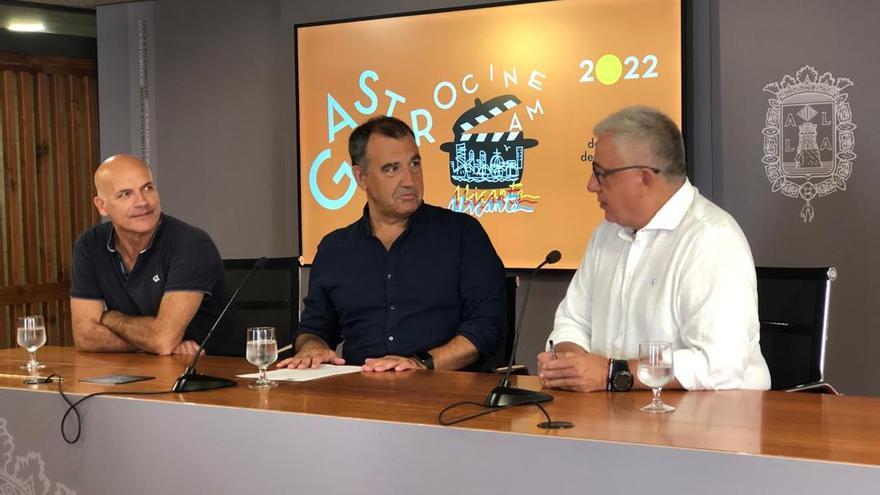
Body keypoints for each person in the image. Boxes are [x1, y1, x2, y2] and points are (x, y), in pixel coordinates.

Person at [539, 106, 770, 392]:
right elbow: (573, 319)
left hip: (707, 423)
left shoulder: (712, 239)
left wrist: (613, 373)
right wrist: (570, 361)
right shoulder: (606, 235)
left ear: (645, 179)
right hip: (617, 416)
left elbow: (718, 364)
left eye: (601, 174)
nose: (591, 186)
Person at [277, 116, 505, 372]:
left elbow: (487, 326)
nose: (410, 180)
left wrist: (421, 363)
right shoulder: (334, 248)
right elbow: (314, 328)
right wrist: (312, 347)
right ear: (361, 178)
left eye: (414, 164)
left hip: (443, 391)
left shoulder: (463, 234)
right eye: (392, 169)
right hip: (358, 394)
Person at [70, 154, 244, 356]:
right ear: (102, 205)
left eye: (148, 188)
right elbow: (85, 336)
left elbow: (163, 340)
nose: (142, 201)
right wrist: (151, 344)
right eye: (125, 194)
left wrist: (110, 318)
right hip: (148, 368)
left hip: (219, 370)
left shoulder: (191, 244)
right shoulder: (89, 245)